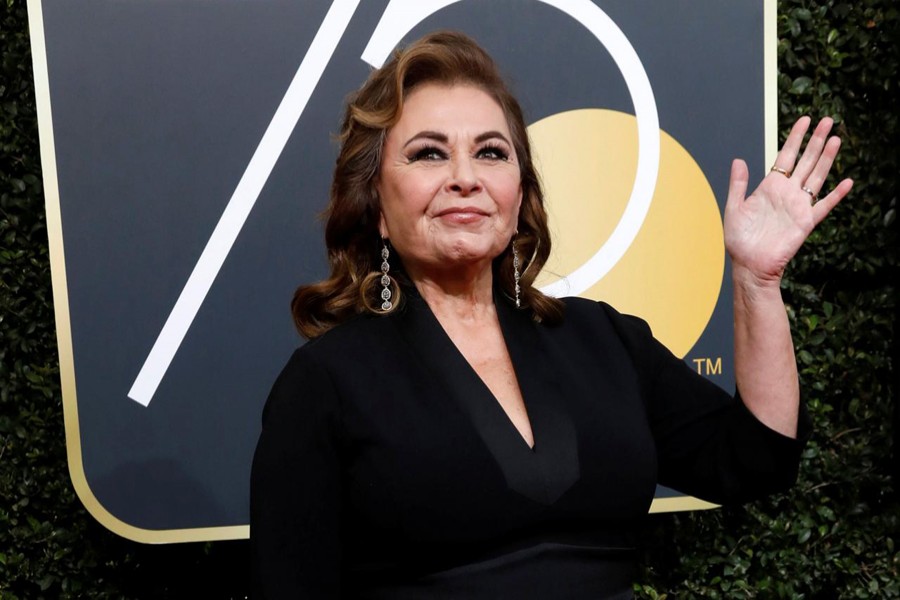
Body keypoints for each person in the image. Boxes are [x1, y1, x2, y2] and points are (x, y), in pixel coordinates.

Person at [250, 30, 853, 599]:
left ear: (519, 196)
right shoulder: (325, 384)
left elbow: (756, 460)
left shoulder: (603, 341)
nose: (465, 178)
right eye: (429, 154)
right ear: (376, 204)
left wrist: (755, 280)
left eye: (491, 152)